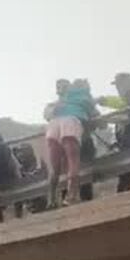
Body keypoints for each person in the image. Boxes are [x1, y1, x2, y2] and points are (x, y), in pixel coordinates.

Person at [45, 79, 97, 208]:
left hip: (53, 125)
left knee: (54, 167)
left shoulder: (56, 103)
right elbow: (95, 115)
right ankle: (71, 196)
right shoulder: (84, 97)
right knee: (73, 161)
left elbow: (47, 115)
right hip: (71, 123)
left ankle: (51, 199)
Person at [97, 72, 130, 192]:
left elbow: (129, 117)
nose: (117, 88)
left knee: (128, 172)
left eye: (119, 84)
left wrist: (107, 118)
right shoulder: (126, 99)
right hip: (127, 141)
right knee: (126, 175)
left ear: (127, 83)